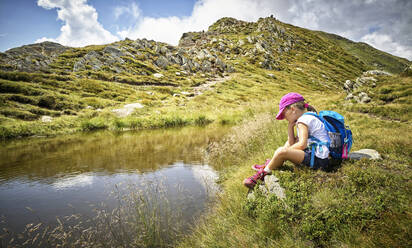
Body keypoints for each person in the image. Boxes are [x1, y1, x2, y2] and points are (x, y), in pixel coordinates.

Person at [243, 92, 330, 189]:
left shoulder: (303, 120)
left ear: (292, 109)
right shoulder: (307, 117)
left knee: (282, 151)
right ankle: (273, 162)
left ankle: (262, 174)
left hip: (319, 161)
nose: (284, 118)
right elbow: (291, 143)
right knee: (285, 148)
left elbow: (302, 145)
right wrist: (290, 128)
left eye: (284, 114)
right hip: (319, 157)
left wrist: (283, 154)